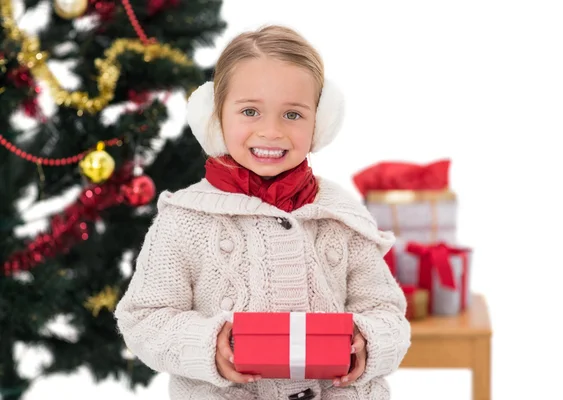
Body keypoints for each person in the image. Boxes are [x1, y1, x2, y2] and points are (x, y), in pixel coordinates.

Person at [114, 24, 411, 400]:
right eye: (250, 111)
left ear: (320, 121)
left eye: (292, 115)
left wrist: (368, 341)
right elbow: (144, 317)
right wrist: (208, 346)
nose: (271, 132)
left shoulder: (341, 215)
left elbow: (386, 311)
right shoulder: (184, 219)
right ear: (216, 116)